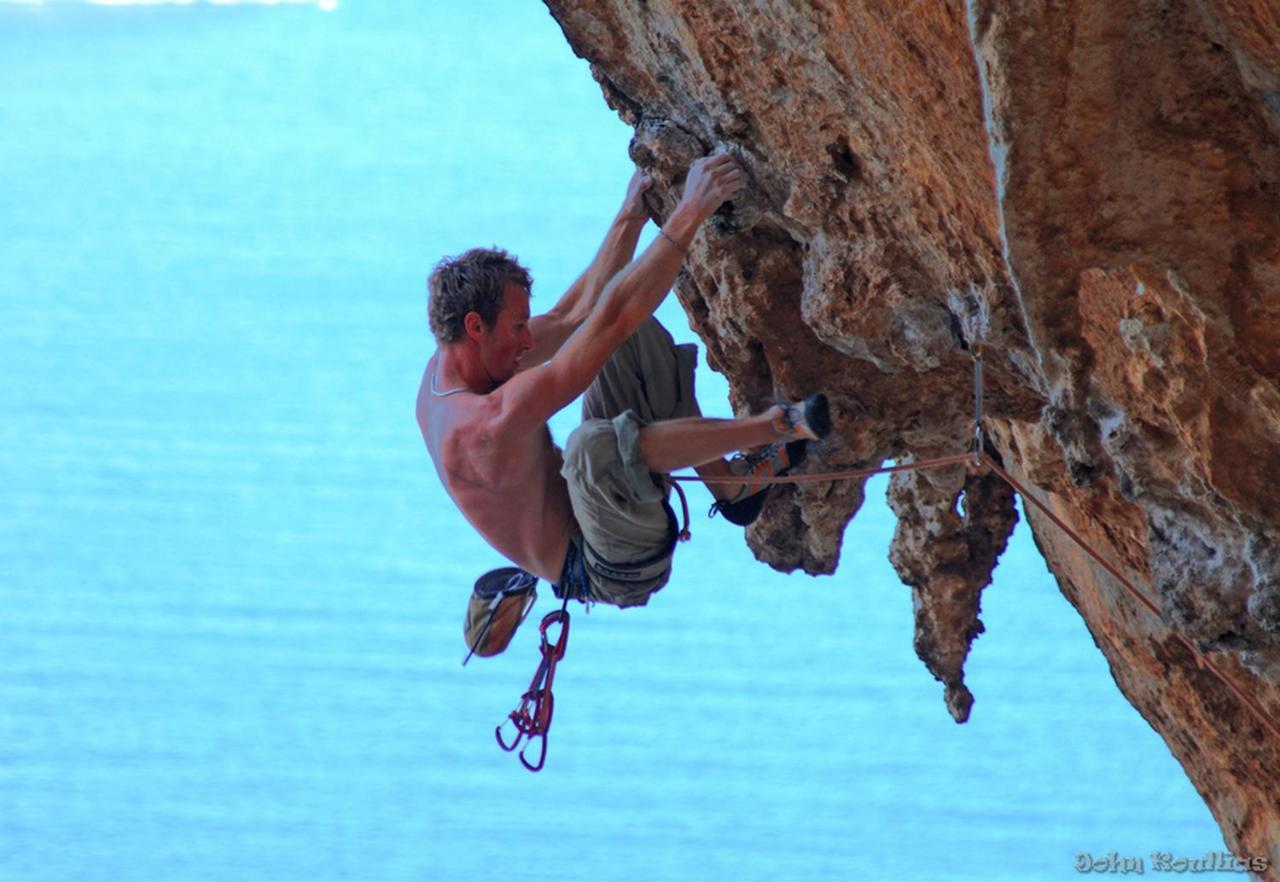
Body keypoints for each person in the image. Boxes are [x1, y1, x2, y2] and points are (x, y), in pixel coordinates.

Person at [416, 155, 829, 623]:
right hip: (607, 564)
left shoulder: (454, 366)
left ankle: (732, 486)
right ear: (475, 326)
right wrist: (690, 211)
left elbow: (576, 318)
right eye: (517, 327)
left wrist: (630, 214)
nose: (528, 340)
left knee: (618, 344)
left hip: (594, 504)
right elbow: (610, 318)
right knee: (591, 449)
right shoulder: (485, 425)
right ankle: (778, 427)